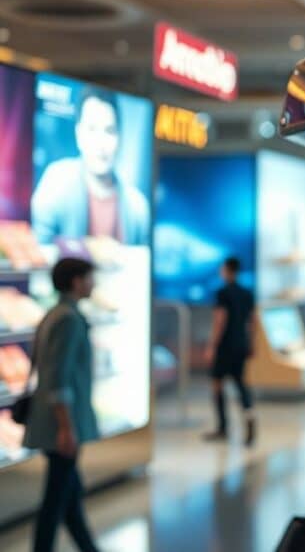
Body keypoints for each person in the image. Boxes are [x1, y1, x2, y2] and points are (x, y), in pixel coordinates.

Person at [23, 258, 101, 552]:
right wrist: (67, 427)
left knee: (68, 497)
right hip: (61, 425)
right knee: (57, 499)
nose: (94, 284)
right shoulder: (68, 319)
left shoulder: (55, 314)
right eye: (90, 278)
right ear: (76, 282)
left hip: (54, 422)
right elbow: (58, 377)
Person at [31, 87, 150, 245]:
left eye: (109, 131)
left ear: (119, 137)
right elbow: (38, 253)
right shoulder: (55, 183)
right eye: (92, 129)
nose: (101, 143)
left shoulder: (138, 207)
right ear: (79, 134)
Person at [203, 257, 257, 447]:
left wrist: (212, 346)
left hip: (226, 345)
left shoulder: (223, 293)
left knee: (217, 384)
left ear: (227, 270)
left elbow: (220, 320)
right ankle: (249, 417)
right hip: (241, 343)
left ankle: (223, 427)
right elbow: (252, 321)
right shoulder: (247, 293)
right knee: (241, 383)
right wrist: (251, 344)